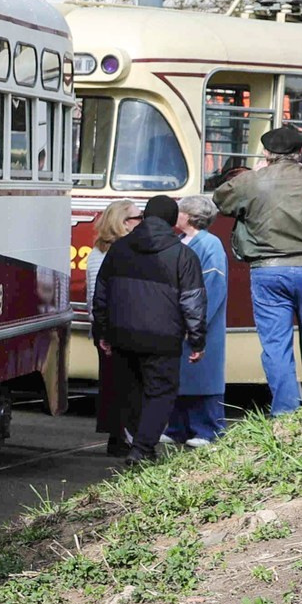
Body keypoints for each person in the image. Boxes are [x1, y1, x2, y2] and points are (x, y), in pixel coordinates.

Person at [217, 124, 302, 411]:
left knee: (276, 344)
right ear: (300, 152)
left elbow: (221, 200)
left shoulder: (249, 182)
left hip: (268, 270)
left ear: (266, 153)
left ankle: (286, 410)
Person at [90, 194, 206, 462]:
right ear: (171, 220)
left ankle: (138, 443)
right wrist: (197, 340)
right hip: (163, 338)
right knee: (160, 392)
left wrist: (103, 333)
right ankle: (142, 448)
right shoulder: (183, 255)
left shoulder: (118, 249)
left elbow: (101, 295)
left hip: (122, 335)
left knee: (131, 392)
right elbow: (193, 301)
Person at [173, 195, 231, 446]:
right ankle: (178, 427)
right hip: (181, 319)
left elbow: (214, 286)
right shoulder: (180, 241)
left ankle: (208, 428)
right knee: (181, 375)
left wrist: (198, 322)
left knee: (203, 375)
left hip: (199, 321)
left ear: (189, 216)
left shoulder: (210, 245)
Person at [86, 200, 139, 456]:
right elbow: (96, 294)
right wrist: (103, 330)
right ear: (123, 222)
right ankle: (119, 436)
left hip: (110, 326)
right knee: (120, 384)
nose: (141, 222)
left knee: (115, 383)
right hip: (111, 328)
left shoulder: (101, 251)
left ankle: (119, 435)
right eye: (136, 218)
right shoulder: (107, 253)